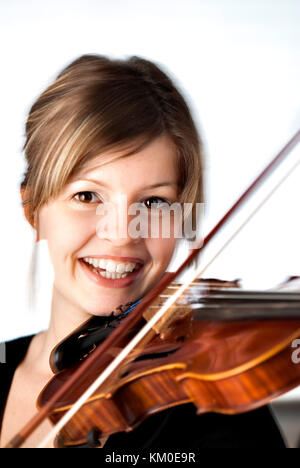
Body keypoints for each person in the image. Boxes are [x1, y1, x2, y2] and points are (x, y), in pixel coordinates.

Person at [0, 54, 286, 448]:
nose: (121, 234)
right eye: (87, 195)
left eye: (153, 203)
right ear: (33, 212)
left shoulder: (217, 414)